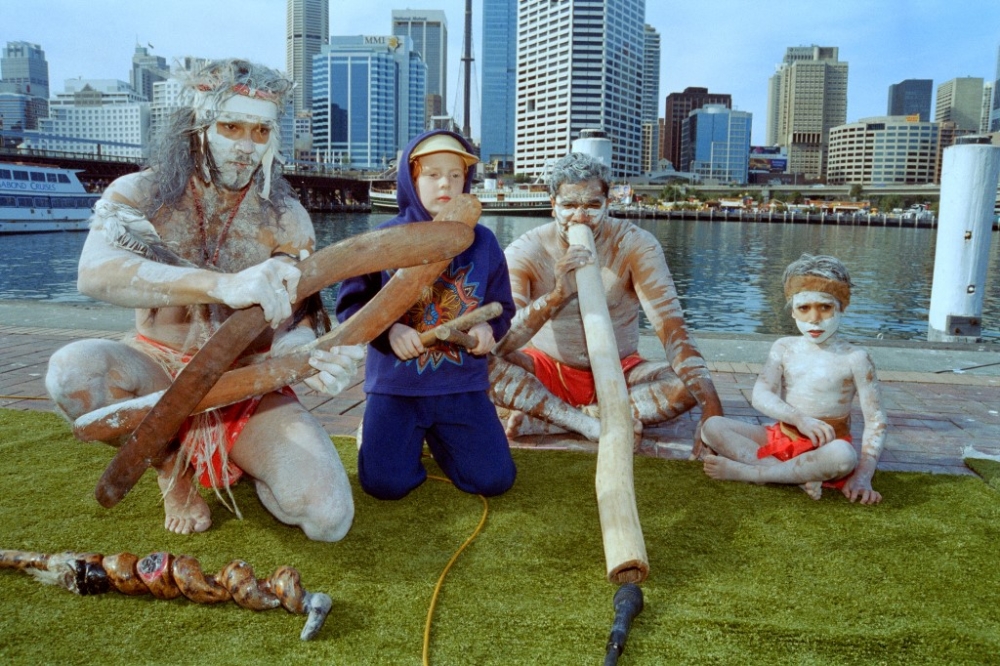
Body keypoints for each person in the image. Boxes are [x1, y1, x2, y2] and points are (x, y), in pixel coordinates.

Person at [45, 59, 363, 539]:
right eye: (230, 126)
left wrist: (311, 358)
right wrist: (219, 284)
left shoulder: (286, 216)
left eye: (260, 131)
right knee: (72, 370)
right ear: (197, 127)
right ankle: (173, 469)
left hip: (244, 382)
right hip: (157, 368)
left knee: (329, 520)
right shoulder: (141, 193)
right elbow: (93, 272)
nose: (245, 145)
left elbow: (300, 317)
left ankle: (242, 461)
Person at [490, 151, 722, 451]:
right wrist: (556, 296)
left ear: (607, 205)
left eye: (592, 206)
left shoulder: (635, 244)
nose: (580, 217)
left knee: (690, 386)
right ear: (552, 206)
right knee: (479, 363)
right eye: (570, 206)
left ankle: (560, 418)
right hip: (547, 369)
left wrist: (711, 410)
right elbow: (501, 340)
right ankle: (588, 423)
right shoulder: (527, 250)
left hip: (622, 370)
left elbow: (672, 328)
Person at [334, 130, 517, 500]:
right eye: (432, 174)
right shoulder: (383, 239)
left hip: (462, 386)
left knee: (494, 480)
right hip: (396, 388)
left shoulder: (484, 242)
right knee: (385, 485)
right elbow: (350, 308)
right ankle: (386, 433)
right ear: (411, 177)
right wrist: (388, 331)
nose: (445, 183)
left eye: (455, 175)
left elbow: (504, 306)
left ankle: (439, 438)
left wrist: (489, 326)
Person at [701, 254, 887, 504]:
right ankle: (794, 476)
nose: (814, 318)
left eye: (825, 307)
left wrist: (863, 476)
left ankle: (752, 473)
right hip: (781, 435)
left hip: (826, 446)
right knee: (712, 426)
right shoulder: (784, 347)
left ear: (842, 307)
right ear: (792, 311)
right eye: (804, 308)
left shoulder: (855, 357)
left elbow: (875, 421)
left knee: (844, 456)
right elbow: (760, 394)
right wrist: (799, 419)